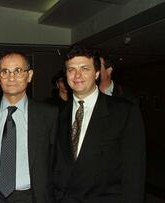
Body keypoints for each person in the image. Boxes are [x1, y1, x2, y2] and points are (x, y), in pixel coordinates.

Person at [53, 46, 146, 202]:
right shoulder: (56, 114)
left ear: (96, 73)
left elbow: (134, 172)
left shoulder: (124, 111)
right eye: (71, 70)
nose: (77, 75)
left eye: (84, 69)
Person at [0, 51, 58, 203]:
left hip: (32, 197)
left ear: (30, 75)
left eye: (18, 71)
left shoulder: (49, 115)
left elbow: (56, 163)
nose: (11, 77)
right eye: (5, 72)